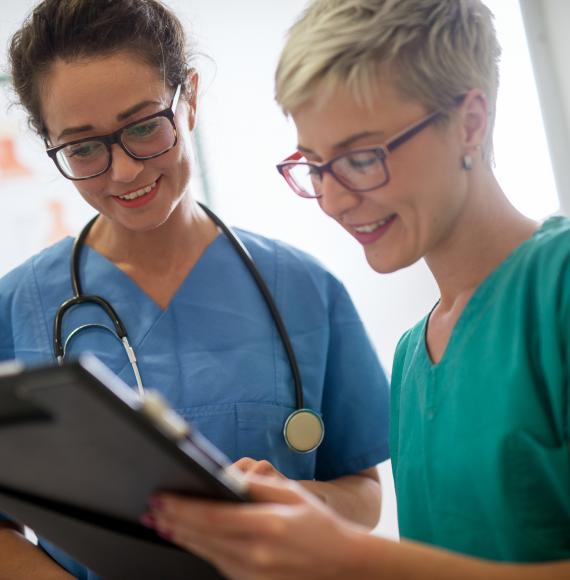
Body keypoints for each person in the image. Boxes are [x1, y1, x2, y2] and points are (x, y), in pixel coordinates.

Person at [140, 0, 570, 578]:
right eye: (315, 166)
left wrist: (348, 557)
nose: (335, 200)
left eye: (363, 158)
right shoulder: (415, 355)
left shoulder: (557, 287)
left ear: (470, 122)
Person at [0, 1, 391, 578]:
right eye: (83, 148)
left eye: (143, 126)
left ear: (190, 100)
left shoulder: (305, 289)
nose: (125, 171)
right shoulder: (16, 308)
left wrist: (301, 502)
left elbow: (363, 492)